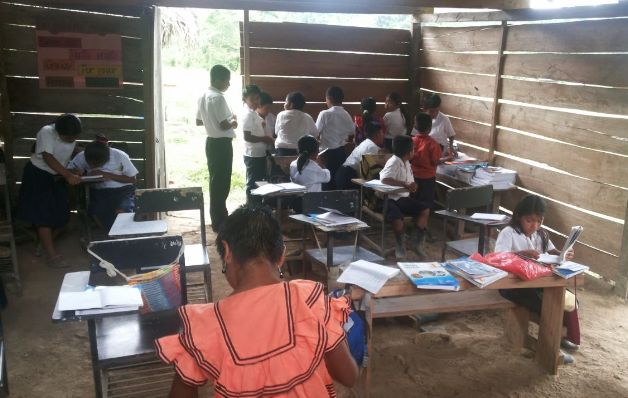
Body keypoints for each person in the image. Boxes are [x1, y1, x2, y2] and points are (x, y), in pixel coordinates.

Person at [155, 205, 359, 397]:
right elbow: (349, 376)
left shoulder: (204, 325)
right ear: (281, 256)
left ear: (226, 252)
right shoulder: (309, 299)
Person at [495, 194, 580, 363]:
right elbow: (498, 258)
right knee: (547, 306)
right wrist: (521, 254)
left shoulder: (541, 234)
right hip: (513, 285)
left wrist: (563, 253)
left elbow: (552, 252)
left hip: (537, 281)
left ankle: (569, 338)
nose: (535, 225)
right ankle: (552, 350)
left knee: (567, 297)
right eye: (530, 220)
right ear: (519, 216)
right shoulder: (508, 233)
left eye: (539, 221)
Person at [16, 113, 82, 268]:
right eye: (68, 137)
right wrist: (67, 175)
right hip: (38, 175)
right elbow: (48, 157)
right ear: (58, 132)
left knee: (62, 215)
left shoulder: (70, 132)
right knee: (43, 215)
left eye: (75, 137)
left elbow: (62, 156)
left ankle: (43, 242)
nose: (72, 140)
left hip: (56, 175)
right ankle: (52, 256)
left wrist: (71, 169)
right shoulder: (46, 131)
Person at [196, 65, 238, 232]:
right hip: (222, 144)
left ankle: (218, 218)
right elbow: (223, 125)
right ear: (218, 79)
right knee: (222, 182)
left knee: (215, 182)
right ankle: (220, 221)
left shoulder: (203, 96)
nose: (228, 84)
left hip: (211, 143)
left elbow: (199, 121)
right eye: (227, 80)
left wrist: (210, 121)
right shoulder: (219, 98)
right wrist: (234, 121)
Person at [68, 136, 138, 230]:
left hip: (123, 191)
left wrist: (107, 175)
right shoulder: (82, 155)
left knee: (122, 211)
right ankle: (108, 235)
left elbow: (132, 179)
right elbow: (70, 170)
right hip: (99, 192)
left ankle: (121, 235)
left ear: (108, 156)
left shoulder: (120, 155)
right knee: (96, 212)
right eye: (91, 164)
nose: (94, 166)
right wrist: (76, 172)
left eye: (98, 164)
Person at [380, 135, 430, 259]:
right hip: (390, 199)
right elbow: (385, 179)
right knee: (397, 220)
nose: (414, 151)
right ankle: (400, 245)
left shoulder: (407, 163)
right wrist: (404, 184)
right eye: (413, 149)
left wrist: (413, 186)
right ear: (409, 152)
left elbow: (410, 182)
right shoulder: (394, 161)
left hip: (403, 198)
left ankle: (415, 243)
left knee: (425, 210)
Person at [410, 113, 450, 255]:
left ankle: (413, 235)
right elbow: (434, 162)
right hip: (427, 180)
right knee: (425, 209)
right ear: (430, 127)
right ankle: (419, 241)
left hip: (412, 179)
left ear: (415, 126)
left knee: (414, 205)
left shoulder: (412, 141)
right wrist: (446, 159)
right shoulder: (433, 144)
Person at [316, 86, 355, 190]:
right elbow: (352, 132)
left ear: (329, 99)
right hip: (341, 152)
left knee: (326, 181)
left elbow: (316, 133)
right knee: (337, 181)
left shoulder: (324, 114)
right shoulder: (346, 114)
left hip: (326, 154)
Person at [242, 85, 274, 204]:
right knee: (252, 183)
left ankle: (257, 208)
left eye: (257, 98)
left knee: (259, 182)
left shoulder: (253, 114)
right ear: (245, 98)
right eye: (252, 99)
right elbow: (247, 136)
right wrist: (264, 138)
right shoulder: (248, 115)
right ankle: (251, 209)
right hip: (252, 155)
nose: (256, 101)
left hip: (259, 154)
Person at [335, 121, 384, 190]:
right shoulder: (372, 147)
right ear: (377, 134)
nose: (383, 136)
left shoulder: (366, 143)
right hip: (348, 176)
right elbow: (374, 169)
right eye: (382, 133)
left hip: (343, 174)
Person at [274, 91, 318, 156]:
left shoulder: (280, 115)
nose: (284, 104)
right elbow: (315, 134)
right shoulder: (307, 117)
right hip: (300, 151)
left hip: (282, 149)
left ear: (291, 105)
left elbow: (276, 132)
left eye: (286, 102)